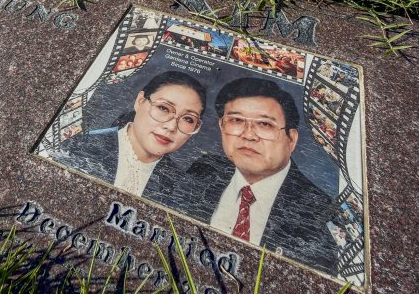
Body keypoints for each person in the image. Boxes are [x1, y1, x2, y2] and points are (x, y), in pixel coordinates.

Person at [176, 77, 341, 274]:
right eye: (236, 120)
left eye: (265, 124)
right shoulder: (203, 169)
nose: (249, 135)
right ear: (222, 127)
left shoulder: (321, 214)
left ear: (291, 139)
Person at [52, 71, 206, 203]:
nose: (171, 127)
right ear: (140, 101)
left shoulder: (184, 188)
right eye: (163, 108)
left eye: (188, 119)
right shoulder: (81, 146)